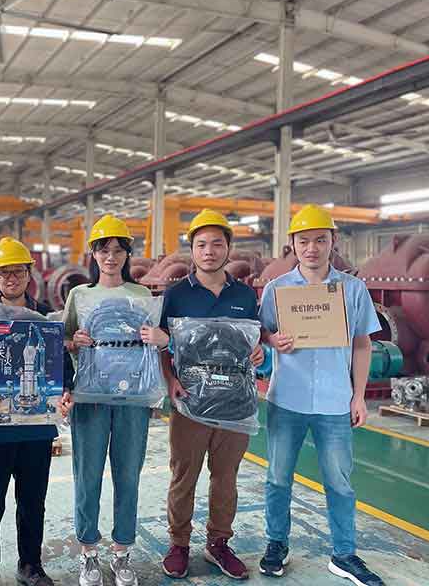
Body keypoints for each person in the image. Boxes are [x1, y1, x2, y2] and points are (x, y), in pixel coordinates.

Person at [258, 205, 384, 586]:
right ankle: (277, 544)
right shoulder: (276, 290)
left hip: (334, 401)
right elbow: (260, 335)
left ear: (333, 242)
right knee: (278, 478)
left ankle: (344, 554)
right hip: (287, 399)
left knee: (340, 482)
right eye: (304, 241)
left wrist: (358, 396)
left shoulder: (352, 290)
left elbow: (362, 344)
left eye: (319, 240)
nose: (311, 248)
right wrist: (272, 340)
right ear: (292, 244)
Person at [57, 215, 169, 586]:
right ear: (93, 253)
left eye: (118, 250)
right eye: (103, 250)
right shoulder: (80, 295)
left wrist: (160, 339)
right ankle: (89, 552)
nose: (111, 257)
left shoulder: (142, 296)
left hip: (132, 399)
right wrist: (75, 342)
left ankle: (122, 553)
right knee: (87, 476)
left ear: (127, 254)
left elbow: (155, 345)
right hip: (90, 398)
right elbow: (63, 341)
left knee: (128, 475)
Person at [159, 209, 264, 581]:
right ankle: (179, 544)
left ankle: (218, 543)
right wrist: (170, 380)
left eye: (217, 244)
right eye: (201, 244)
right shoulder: (176, 295)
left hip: (235, 402)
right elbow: (161, 344)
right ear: (192, 250)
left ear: (228, 248)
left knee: (226, 477)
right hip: (190, 400)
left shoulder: (245, 296)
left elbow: (253, 340)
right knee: (183, 475)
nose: (209, 251)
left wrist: (260, 352)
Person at [0, 237, 73, 586]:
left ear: (29, 274)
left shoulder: (47, 319)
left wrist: (66, 391)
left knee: (32, 502)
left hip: (37, 428)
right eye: (4, 272)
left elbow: (63, 368)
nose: (11, 278)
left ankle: (30, 565)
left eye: (18, 272)